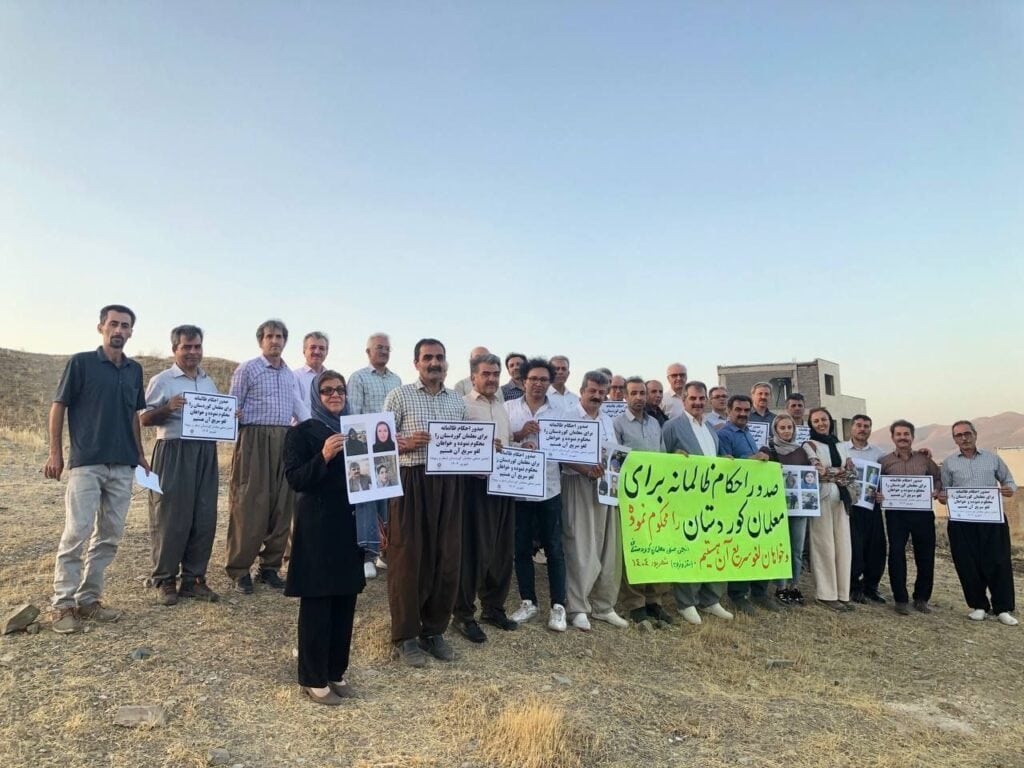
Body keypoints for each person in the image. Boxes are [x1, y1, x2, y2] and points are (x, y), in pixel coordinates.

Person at [45, 305, 150, 633]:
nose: (119, 330)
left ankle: (89, 600)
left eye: (125, 326)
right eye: (113, 324)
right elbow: (58, 406)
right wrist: (55, 452)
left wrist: (140, 454)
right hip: (87, 462)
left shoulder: (134, 370)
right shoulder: (81, 363)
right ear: (101, 327)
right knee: (77, 532)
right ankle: (63, 604)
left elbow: (134, 415)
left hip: (122, 464)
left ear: (131, 332)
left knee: (109, 535)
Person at [383, 338, 467, 667]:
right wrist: (404, 444)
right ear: (416, 363)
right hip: (411, 481)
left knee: (446, 557)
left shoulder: (457, 401)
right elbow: (377, 442)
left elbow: (465, 445)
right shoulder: (399, 395)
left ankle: (433, 630)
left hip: (448, 484)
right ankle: (405, 635)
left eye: (439, 357)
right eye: (428, 357)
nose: (434, 363)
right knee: (407, 558)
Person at [284, 370, 365, 705]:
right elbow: (295, 479)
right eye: (327, 390)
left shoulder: (356, 430)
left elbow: (371, 477)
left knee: (345, 600)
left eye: (340, 389)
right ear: (316, 396)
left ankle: (335, 670)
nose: (335, 395)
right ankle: (313, 677)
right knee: (318, 601)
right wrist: (324, 456)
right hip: (317, 525)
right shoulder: (301, 433)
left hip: (349, 524)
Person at [140, 324, 221, 606]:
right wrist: (168, 408)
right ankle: (165, 579)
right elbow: (144, 418)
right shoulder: (163, 380)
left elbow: (214, 416)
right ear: (175, 348)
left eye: (197, 346)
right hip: (174, 450)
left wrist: (228, 417)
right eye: (186, 347)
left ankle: (194, 580)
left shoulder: (208, 382)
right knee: (171, 516)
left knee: (204, 516)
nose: (193, 352)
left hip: (205, 452)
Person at [226, 319, 307, 594]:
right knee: (250, 504)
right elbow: (231, 406)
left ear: (285, 341)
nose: (275, 341)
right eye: (270, 336)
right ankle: (239, 569)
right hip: (254, 440)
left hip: (285, 440)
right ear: (261, 340)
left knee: (281, 505)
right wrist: (233, 417)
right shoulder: (247, 369)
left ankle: (270, 567)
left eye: (279, 336)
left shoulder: (289, 374)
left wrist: (315, 432)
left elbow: (298, 407)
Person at [453, 353, 519, 642]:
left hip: (503, 487)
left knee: (502, 552)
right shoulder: (462, 406)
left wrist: (520, 449)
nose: (492, 379)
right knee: (474, 552)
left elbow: (507, 445)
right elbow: (454, 446)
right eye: (486, 374)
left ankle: (493, 608)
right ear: (473, 377)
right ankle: (463, 614)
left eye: (495, 374)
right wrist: (480, 448)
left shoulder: (501, 408)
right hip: (475, 489)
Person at [560, 371, 629, 631]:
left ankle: (603, 606)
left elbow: (613, 454)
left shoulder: (607, 420)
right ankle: (578, 607)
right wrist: (586, 470)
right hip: (578, 484)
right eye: (593, 391)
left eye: (602, 392)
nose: (597, 396)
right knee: (581, 546)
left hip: (607, 487)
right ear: (582, 391)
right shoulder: (568, 417)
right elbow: (561, 455)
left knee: (608, 547)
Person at [505, 358, 569, 633]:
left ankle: (558, 606)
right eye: (533, 378)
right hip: (518, 491)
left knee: (554, 548)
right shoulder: (508, 408)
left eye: (544, 379)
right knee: (520, 548)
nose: (538, 384)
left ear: (550, 382)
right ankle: (528, 601)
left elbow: (571, 444)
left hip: (549, 488)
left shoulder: (562, 410)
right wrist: (520, 435)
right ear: (523, 381)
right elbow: (499, 443)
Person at [661, 381, 732, 622]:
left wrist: (725, 460)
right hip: (686, 500)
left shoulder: (710, 429)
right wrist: (673, 457)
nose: (698, 403)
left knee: (712, 547)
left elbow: (714, 458)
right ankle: (686, 602)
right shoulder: (672, 426)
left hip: (712, 500)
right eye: (693, 398)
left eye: (701, 399)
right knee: (689, 550)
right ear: (684, 401)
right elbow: (660, 459)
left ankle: (710, 599)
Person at [939, 421, 1018, 626]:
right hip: (962, 522)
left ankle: (1003, 608)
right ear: (954, 439)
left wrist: (1009, 489)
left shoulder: (993, 459)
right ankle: (979, 606)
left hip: (992, 519)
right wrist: (942, 497)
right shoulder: (949, 463)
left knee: (999, 561)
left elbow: (1010, 482)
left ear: (975, 434)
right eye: (958, 435)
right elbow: (945, 492)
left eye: (967, 433)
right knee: (967, 563)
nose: (964, 438)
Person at [613, 377, 674, 627]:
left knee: (656, 545)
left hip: (655, 495)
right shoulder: (617, 423)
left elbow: (662, 456)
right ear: (625, 396)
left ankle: (654, 601)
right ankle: (635, 603)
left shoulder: (655, 424)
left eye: (642, 393)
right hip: (632, 495)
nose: (639, 397)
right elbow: (615, 460)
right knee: (634, 548)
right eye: (634, 393)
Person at [347, 332, 402, 579]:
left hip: (388, 447)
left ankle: (384, 552)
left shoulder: (396, 379)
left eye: (387, 348)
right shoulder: (358, 378)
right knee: (367, 502)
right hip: (364, 449)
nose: (384, 351)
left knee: (387, 501)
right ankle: (367, 554)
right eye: (379, 347)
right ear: (368, 351)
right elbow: (354, 415)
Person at [716, 395, 776, 615]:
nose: (742, 414)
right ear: (729, 411)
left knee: (759, 544)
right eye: (738, 410)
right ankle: (738, 595)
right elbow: (725, 465)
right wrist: (754, 459)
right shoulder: (724, 434)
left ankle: (759, 592)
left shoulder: (748, 432)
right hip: (737, 500)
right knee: (741, 547)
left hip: (756, 498)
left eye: (746, 410)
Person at [878, 420, 942, 616]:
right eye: (898, 434)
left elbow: (937, 478)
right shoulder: (884, 462)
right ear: (892, 438)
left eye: (906, 434)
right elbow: (876, 484)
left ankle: (921, 598)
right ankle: (900, 599)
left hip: (922, 514)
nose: (902, 437)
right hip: (896, 515)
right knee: (896, 554)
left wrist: (936, 489)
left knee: (925, 555)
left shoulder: (924, 460)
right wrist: (879, 494)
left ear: (912, 437)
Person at [805, 407, 855, 612]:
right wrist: (838, 472)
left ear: (830, 421)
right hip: (821, 498)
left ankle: (843, 593)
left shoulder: (841, 446)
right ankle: (826, 594)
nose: (821, 424)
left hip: (842, 499)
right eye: (816, 421)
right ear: (811, 424)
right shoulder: (809, 445)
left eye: (823, 419)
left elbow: (851, 473)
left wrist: (832, 473)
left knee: (843, 546)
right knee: (824, 545)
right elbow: (817, 472)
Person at [841, 414, 887, 604]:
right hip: (849, 506)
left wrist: (881, 494)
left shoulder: (879, 453)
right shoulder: (841, 449)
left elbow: (884, 480)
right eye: (858, 425)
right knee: (854, 546)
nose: (862, 429)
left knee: (876, 547)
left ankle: (871, 587)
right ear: (851, 428)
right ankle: (854, 586)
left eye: (866, 426)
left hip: (871, 506)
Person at [768, 414, 811, 607]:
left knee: (797, 549)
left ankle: (794, 586)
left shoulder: (802, 452)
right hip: (778, 509)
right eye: (782, 428)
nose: (786, 431)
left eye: (790, 427)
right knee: (781, 547)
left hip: (799, 509)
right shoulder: (768, 450)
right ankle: (781, 587)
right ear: (775, 430)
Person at [291, 332, 329, 424]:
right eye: (313, 347)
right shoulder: (294, 377)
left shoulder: (333, 379)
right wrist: (315, 426)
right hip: (304, 428)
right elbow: (297, 407)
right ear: (304, 351)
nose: (317, 352)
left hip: (330, 429)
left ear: (326, 352)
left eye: (321, 348)